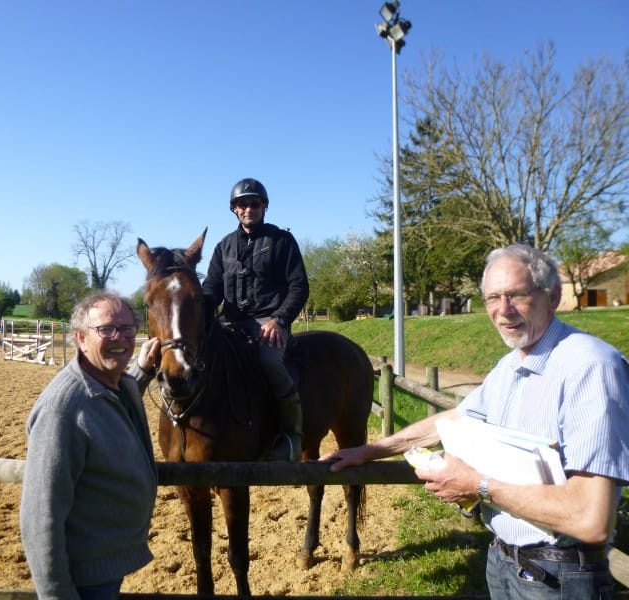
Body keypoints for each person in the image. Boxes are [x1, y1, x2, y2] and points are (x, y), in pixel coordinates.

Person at [322, 244, 629, 597]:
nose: (503, 311)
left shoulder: (590, 367)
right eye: (492, 298)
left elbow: (591, 519)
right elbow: (457, 419)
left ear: (554, 296)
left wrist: (478, 486)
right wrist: (371, 450)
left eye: (516, 295)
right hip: (503, 559)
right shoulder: (510, 365)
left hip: (560, 574)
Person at [20, 291, 161, 600]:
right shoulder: (64, 409)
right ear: (80, 339)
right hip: (84, 579)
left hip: (106, 564)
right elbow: (40, 517)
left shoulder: (113, 382)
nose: (119, 337)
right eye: (106, 329)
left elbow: (113, 398)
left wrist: (143, 369)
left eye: (127, 328)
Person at [202, 177, 309, 462]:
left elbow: (299, 287)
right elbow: (211, 289)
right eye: (242, 204)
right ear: (234, 209)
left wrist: (280, 320)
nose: (248, 209)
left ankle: (291, 439)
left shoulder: (282, 241)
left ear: (264, 206)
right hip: (230, 324)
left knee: (269, 363)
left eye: (254, 203)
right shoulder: (223, 247)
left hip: (268, 323)